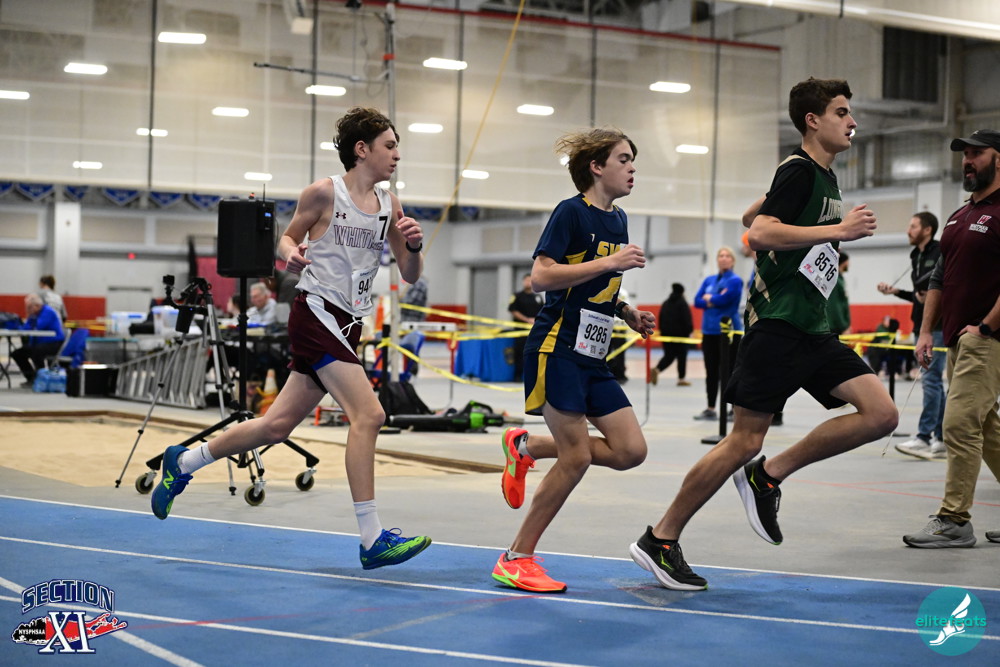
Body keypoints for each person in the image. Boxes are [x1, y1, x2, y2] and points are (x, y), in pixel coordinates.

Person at [629, 77, 898, 590]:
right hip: (777, 326)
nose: (852, 122)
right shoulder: (799, 169)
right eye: (841, 112)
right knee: (743, 440)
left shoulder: (821, 176)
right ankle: (659, 539)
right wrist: (838, 230)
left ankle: (767, 475)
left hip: (814, 328)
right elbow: (758, 232)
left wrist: (783, 208)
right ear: (812, 121)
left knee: (882, 414)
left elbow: (751, 214)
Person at [150, 107, 432, 569]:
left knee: (276, 426)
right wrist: (291, 255)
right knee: (370, 414)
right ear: (362, 150)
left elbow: (410, 272)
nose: (397, 154)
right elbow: (286, 238)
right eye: (390, 145)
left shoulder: (391, 206)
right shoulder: (324, 193)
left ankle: (183, 462)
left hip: (350, 323)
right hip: (316, 312)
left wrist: (416, 246)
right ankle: (371, 537)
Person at [493, 127, 655, 593]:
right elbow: (542, 277)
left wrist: (625, 311)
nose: (632, 168)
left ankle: (526, 447)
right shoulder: (571, 212)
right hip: (556, 349)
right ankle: (516, 558)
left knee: (630, 451)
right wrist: (610, 263)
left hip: (593, 355)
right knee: (577, 457)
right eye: (623, 159)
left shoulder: (619, 220)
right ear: (596, 168)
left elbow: (597, 285)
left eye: (633, 159)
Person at [903, 129, 1000, 548]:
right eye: (965, 154)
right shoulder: (959, 216)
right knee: (987, 428)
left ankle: (955, 519)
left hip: (987, 338)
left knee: (959, 424)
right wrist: (927, 330)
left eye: (977, 153)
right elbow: (939, 278)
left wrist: (987, 326)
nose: (968, 160)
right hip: (958, 339)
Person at [878, 212, 945, 460]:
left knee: (930, 380)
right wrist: (896, 292)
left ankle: (925, 437)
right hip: (920, 324)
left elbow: (937, 291)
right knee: (934, 382)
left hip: (937, 326)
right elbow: (919, 297)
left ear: (927, 230)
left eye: (913, 226)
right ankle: (942, 438)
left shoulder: (940, 252)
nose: (908, 230)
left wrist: (925, 295)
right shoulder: (915, 255)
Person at [692, 246, 743, 420]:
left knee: (729, 371)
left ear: (733, 260)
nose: (723, 258)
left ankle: (732, 409)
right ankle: (710, 408)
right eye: (721, 255)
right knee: (711, 371)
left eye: (727, 256)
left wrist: (710, 299)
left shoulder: (735, 281)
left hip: (729, 332)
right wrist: (714, 300)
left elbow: (726, 299)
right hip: (709, 331)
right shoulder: (709, 280)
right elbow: (697, 301)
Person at [10, 293, 66, 386]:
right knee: (17, 354)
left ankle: (41, 378)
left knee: (37, 352)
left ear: (37, 305)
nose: (27, 310)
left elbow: (37, 326)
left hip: (54, 343)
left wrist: (28, 321)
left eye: (29, 307)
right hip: (39, 343)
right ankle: (31, 377)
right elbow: (26, 328)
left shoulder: (48, 312)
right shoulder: (34, 314)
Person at [651, 283, 693, 386]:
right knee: (682, 357)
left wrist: (662, 332)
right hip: (681, 336)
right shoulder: (683, 303)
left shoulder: (666, 303)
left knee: (669, 356)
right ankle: (681, 379)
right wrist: (689, 331)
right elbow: (686, 319)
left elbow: (660, 318)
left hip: (666, 335)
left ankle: (657, 369)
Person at [507, 272, 543, 382]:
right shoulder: (517, 296)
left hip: (534, 330)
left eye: (530, 280)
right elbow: (513, 310)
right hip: (520, 330)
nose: (528, 282)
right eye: (526, 280)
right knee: (519, 352)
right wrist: (527, 320)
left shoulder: (537, 297)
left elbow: (543, 310)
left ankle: (533, 376)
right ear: (523, 282)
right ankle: (517, 376)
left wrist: (535, 320)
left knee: (534, 352)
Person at [827, 250, 851, 335]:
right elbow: (835, 305)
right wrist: (843, 327)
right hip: (835, 327)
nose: (849, 264)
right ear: (844, 262)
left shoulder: (840, 279)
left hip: (838, 326)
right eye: (848, 262)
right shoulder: (835, 280)